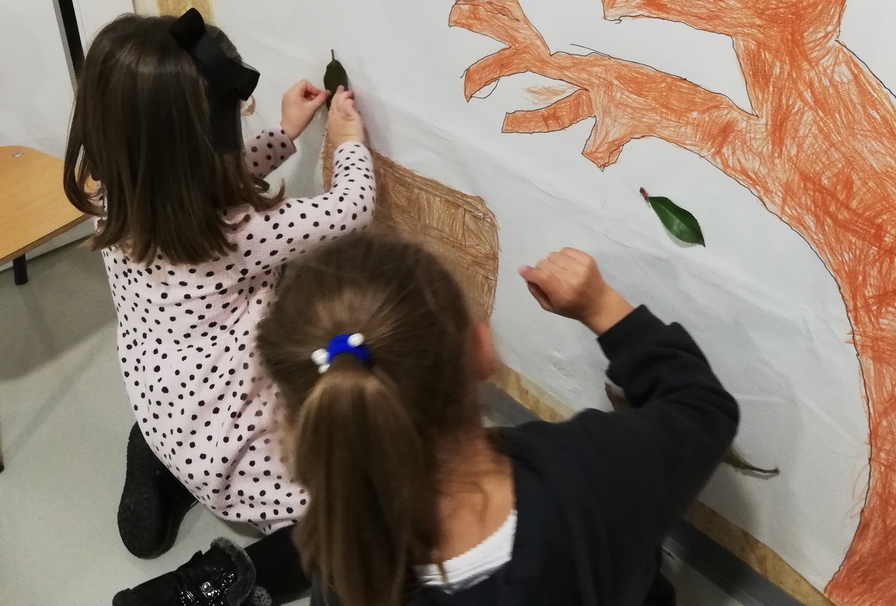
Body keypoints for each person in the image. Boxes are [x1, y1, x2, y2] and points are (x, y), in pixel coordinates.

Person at [62, 9, 376, 606]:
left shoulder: (115, 197)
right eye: (235, 117)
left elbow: (198, 180)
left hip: (160, 404)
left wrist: (284, 134)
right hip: (229, 444)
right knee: (348, 518)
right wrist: (350, 143)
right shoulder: (236, 235)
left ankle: (159, 458)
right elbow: (351, 208)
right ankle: (213, 582)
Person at [255, 231, 740, 606]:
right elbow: (701, 406)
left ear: (303, 421)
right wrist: (603, 307)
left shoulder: (341, 556)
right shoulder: (593, 473)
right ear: (481, 350)